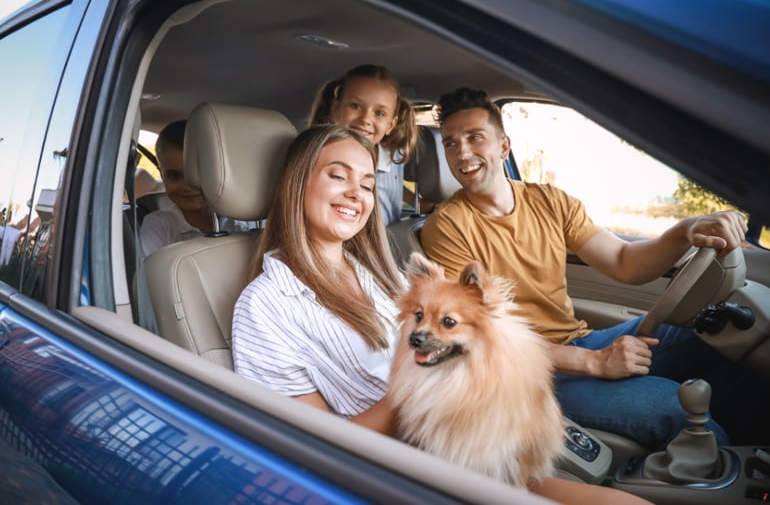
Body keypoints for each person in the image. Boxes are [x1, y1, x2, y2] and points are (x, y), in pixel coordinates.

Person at [231, 123, 650, 504]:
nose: (357, 194)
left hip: (477, 448)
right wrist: (413, 391)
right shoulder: (266, 306)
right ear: (297, 181)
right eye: (338, 176)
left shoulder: (383, 275)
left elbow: (483, 334)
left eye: (366, 183)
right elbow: (309, 450)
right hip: (410, 474)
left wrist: (582, 363)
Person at [421, 87, 760, 451]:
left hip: (577, 342)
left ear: (504, 147)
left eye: (475, 138)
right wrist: (595, 363)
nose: (463, 153)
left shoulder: (549, 201)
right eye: (451, 144)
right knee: (674, 405)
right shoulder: (446, 228)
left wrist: (682, 232)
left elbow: (622, 261)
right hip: (526, 376)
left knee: (714, 329)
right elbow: (481, 338)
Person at [308, 64, 432, 225]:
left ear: (390, 125)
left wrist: (422, 205)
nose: (365, 119)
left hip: (385, 243)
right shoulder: (318, 155)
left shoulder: (391, 155)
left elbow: (390, 188)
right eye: (355, 106)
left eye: (379, 113)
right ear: (336, 107)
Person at [140, 120, 253, 257]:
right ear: (162, 175)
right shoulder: (158, 227)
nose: (188, 186)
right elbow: (152, 276)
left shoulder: (245, 222)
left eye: (199, 174)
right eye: (174, 176)